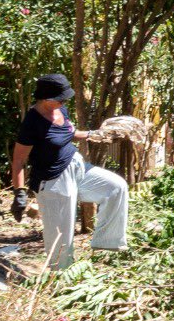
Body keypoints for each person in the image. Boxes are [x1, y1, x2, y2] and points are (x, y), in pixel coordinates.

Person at [7, 74, 128, 273]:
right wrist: (19, 192)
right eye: (60, 98)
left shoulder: (59, 108)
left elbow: (68, 133)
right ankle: (60, 279)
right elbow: (19, 159)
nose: (65, 101)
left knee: (116, 187)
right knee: (61, 237)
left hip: (77, 167)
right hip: (53, 181)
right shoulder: (32, 122)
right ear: (45, 98)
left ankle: (106, 244)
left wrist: (93, 134)